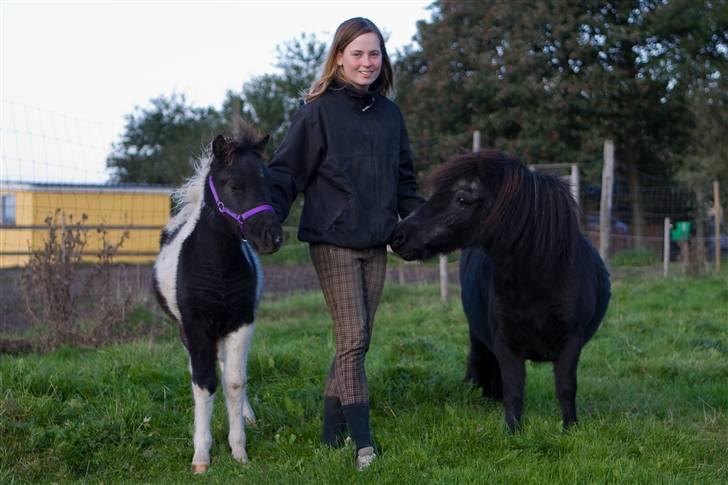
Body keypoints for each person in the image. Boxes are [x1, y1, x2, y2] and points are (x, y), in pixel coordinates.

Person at [267, 17, 423, 471]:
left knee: (358, 341)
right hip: (332, 239)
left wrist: (431, 222)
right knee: (353, 339)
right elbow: (285, 173)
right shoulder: (316, 111)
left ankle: (330, 432)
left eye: (374, 54)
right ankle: (364, 446)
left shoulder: (391, 116)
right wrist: (269, 221)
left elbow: (405, 183)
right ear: (339, 57)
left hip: (377, 240)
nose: (367, 62)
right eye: (357, 53)